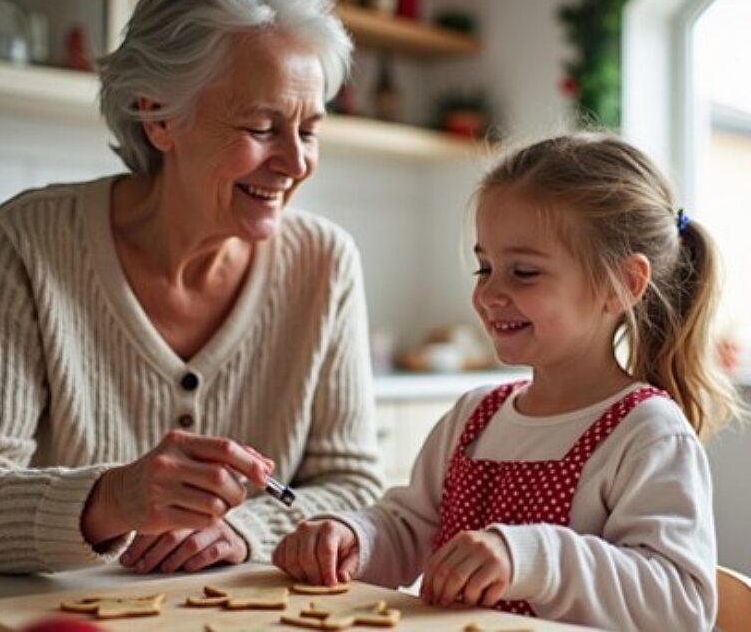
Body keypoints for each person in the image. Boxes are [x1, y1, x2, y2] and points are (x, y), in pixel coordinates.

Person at [0, 0, 383, 574]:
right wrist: (112, 499)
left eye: (308, 130)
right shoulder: (28, 243)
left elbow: (357, 490)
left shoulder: (326, 263)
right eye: (261, 127)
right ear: (157, 116)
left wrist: (242, 529)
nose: (296, 161)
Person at [273, 133, 746, 631]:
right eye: (485, 267)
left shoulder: (647, 433)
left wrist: (534, 559)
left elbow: (681, 606)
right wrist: (356, 537)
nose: (489, 293)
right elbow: (409, 528)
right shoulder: (473, 417)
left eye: (522, 272)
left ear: (622, 284)